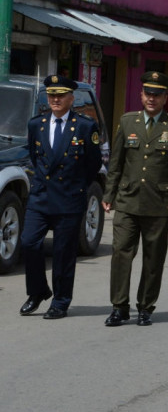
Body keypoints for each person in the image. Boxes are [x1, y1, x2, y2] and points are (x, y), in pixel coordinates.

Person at [102, 71, 168, 327]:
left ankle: (145, 307)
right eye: (147, 93)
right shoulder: (128, 122)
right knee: (121, 254)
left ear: (165, 98)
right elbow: (116, 162)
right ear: (141, 95)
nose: (151, 99)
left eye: (157, 94)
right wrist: (109, 193)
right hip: (128, 201)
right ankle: (119, 307)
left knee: (153, 258)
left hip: (158, 202)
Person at [19, 75, 101, 320]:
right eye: (51, 95)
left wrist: (76, 187)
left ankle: (61, 301)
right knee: (29, 243)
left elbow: (93, 164)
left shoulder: (85, 126)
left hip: (68, 198)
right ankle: (38, 291)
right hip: (41, 197)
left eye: (61, 95)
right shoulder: (37, 124)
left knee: (63, 253)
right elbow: (35, 156)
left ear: (71, 98)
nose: (55, 99)